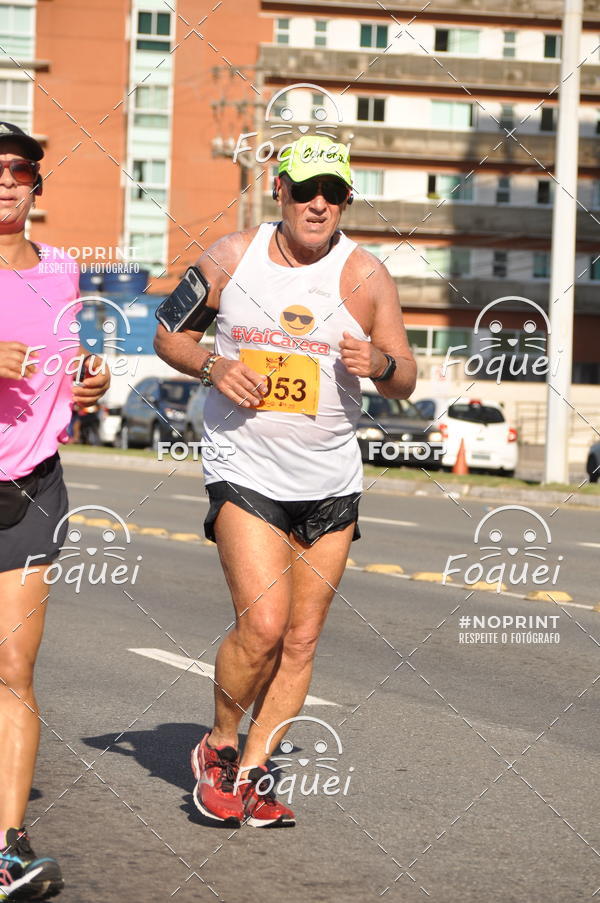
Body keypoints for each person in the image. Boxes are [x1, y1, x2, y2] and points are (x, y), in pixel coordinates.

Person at [154, 135, 416, 828]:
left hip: (331, 479)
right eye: (305, 190)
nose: (318, 204)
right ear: (281, 191)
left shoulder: (367, 276)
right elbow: (168, 335)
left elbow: (406, 377)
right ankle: (218, 744)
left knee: (300, 641)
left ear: (347, 200)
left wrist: (380, 365)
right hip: (245, 468)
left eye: (332, 192)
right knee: (264, 626)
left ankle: (251, 771)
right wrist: (213, 366)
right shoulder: (231, 257)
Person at [0, 122, 110, 898]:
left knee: (12, 668)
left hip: (31, 487)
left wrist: (87, 387)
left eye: (19, 169)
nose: (5, 181)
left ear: (37, 183)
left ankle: (7, 847)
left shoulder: (63, 270)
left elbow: (64, 370)